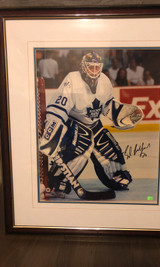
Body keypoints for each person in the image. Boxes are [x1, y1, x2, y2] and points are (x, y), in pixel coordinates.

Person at [39, 52, 142, 199]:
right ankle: (57, 182)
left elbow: (105, 105)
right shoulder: (72, 80)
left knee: (110, 152)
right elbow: (58, 109)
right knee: (82, 145)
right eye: (90, 67)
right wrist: (52, 131)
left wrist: (117, 112)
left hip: (94, 123)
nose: (94, 71)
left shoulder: (105, 81)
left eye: (96, 67)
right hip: (73, 123)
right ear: (83, 67)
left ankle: (115, 178)